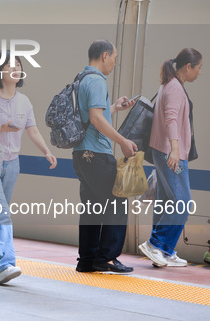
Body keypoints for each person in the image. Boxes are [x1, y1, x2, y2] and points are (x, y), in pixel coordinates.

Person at [0, 52, 58, 285]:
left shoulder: (24, 101)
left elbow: (33, 130)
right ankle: (5, 265)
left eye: (18, 65)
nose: (15, 69)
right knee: (1, 211)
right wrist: (0, 129)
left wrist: (46, 151)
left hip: (12, 163)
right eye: (10, 66)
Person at [73, 39, 137, 274]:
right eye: (114, 59)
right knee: (116, 203)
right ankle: (106, 257)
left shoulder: (81, 79)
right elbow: (97, 120)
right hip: (97, 154)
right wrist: (122, 141)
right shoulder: (98, 80)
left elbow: (91, 115)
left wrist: (115, 108)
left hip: (81, 155)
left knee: (91, 207)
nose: (114, 64)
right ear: (104, 56)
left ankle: (87, 259)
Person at [139, 48, 203, 267]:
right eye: (199, 67)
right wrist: (175, 149)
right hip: (170, 152)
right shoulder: (175, 87)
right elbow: (171, 119)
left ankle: (164, 250)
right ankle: (156, 244)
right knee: (182, 204)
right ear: (188, 67)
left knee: (166, 202)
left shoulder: (169, 84)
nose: (200, 72)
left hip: (163, 150)